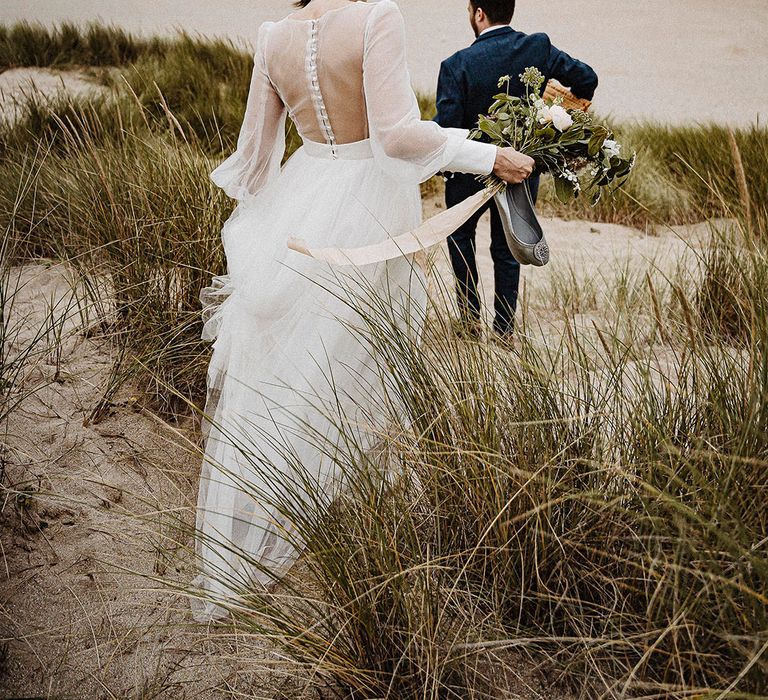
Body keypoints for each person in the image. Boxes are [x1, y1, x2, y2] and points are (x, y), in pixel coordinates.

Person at [192, 0, 535, 621]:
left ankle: (260, 516)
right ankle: (346, 519)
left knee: (290, 367)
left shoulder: (274, 37)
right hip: (367, 203)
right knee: (360, 361)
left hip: (299, 198)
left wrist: (266, 232)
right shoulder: (378, 17)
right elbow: (397, 138)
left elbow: (253, 163)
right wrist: (490, 156)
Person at [435, 0, 598, 340]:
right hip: (522, 171)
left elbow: (449, 130)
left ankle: (469, 321)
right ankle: (505, 329)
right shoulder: (537, 46)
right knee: (509, 246)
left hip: (468, 172)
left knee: (460, 238)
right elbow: (587, 78)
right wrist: (564, 110)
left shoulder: (455, 65)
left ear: (478, 13)